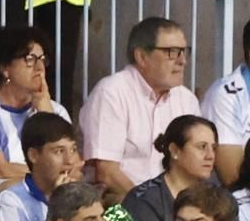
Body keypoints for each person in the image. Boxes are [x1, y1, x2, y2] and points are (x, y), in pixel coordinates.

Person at [79, 17, 202, 197]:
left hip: (173, 205)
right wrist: (147, 208)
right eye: (172, 52)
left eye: (184, 51)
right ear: (142, 56)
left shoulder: (186, 99)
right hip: (113, 201)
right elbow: (106, 173)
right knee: (120, 219)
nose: (182, 61)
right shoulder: (111, 92)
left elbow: (196, 165)